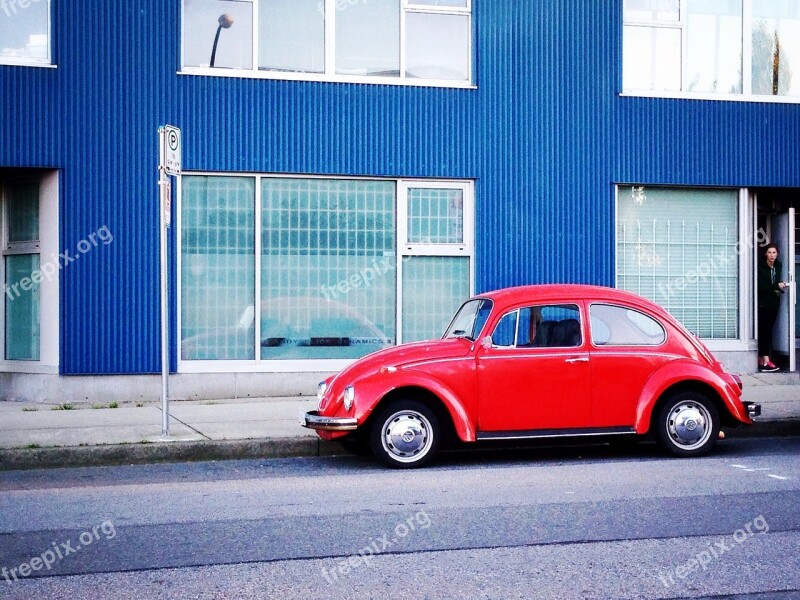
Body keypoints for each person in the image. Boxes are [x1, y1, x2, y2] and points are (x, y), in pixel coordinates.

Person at [757, 243, 787, 372]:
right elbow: (761, 287)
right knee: (765, 332)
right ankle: (766, 361)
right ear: (765, 254)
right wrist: (776, 286)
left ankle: (762, 359)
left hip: (774, 304)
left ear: (777, 254)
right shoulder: (760, 267)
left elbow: (774, 283)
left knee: (768, 331)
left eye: (774, 253)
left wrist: (778, 288)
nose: (772, 255)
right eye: (769, 252)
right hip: (763, 304)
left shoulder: (778, 266)